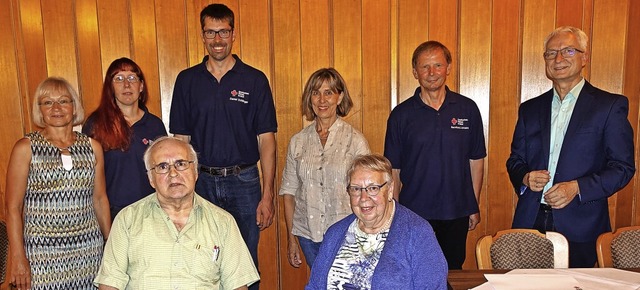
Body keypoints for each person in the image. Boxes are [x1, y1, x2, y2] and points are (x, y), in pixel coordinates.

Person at [506, 26, 635, 268]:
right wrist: (524, 177)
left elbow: (622, 168)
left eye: (568, 51)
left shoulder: (609, 106)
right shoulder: (530, 109)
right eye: (551, 53)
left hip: (582, 225)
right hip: (530, 220)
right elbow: (515, 160)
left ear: (584, 57)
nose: (558, 59)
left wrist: (577, 187)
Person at [169, 4, 277, 284]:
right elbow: (181, 141)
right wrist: (182, 190)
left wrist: (267, 195)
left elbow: (266, 140)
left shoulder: (254, 80)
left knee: (246, 261)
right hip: (201, 182)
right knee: (203, 258)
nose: (217, 39)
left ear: (233, 33)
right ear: (202, 35)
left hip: (245, 183)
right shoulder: (187, 80)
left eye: (223, 32)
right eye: (211, 32)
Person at [94, 136, 259, 290]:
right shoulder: (127, 220)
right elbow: (110, 283)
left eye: (181, 164)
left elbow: (237, 285)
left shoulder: (223, 222)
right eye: (162, 167)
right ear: (151, 178)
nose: (173, 174)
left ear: (195, 172)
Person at [383, 40, 486, 269]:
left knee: (452, 272)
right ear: (415, 72)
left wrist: (473, 203)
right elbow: (394, 170)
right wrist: (396, 214)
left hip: (457, 211)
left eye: (438, 66)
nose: (432, 73)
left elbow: (476, 160)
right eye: (425, 67)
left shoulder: (467, 109)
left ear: (448, 68)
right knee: (417, 272)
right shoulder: (401, 115)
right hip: (415, 214)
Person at [5, 77, 111, 289]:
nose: (56, 108)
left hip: (88, 251)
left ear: (74, 107)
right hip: (41, 254)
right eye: (47, 102)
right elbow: (12, 208)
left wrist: (110, 247)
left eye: (63, 101)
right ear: (40, 110)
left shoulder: (93, 147)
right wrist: (18, 257)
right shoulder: (25, 148)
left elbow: (99, 200)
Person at [306, 154, 447, 289]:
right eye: (356, 189)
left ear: (390, 190)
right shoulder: (335, 233)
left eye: (373, 188)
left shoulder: (417, 233)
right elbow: (315, 286)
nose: (363, 197)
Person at [280, 68, 370, 268]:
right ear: (309, 99)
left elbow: (368, 193)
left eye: (328, 92)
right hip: (308, 235)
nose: (322, 99)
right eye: (315, 92)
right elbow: (289, 193)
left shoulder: (355, 141)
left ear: (339, 98)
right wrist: (292, 239)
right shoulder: (298, 142)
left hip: (347, 235)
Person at [83, 57, 167, 220]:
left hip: (150, 213)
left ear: (141, 86)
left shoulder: (155, 125)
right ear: (110, 87)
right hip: (111, 214)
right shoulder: (96, 124)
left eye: (132, 78)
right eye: (119, 79)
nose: (126, 85)